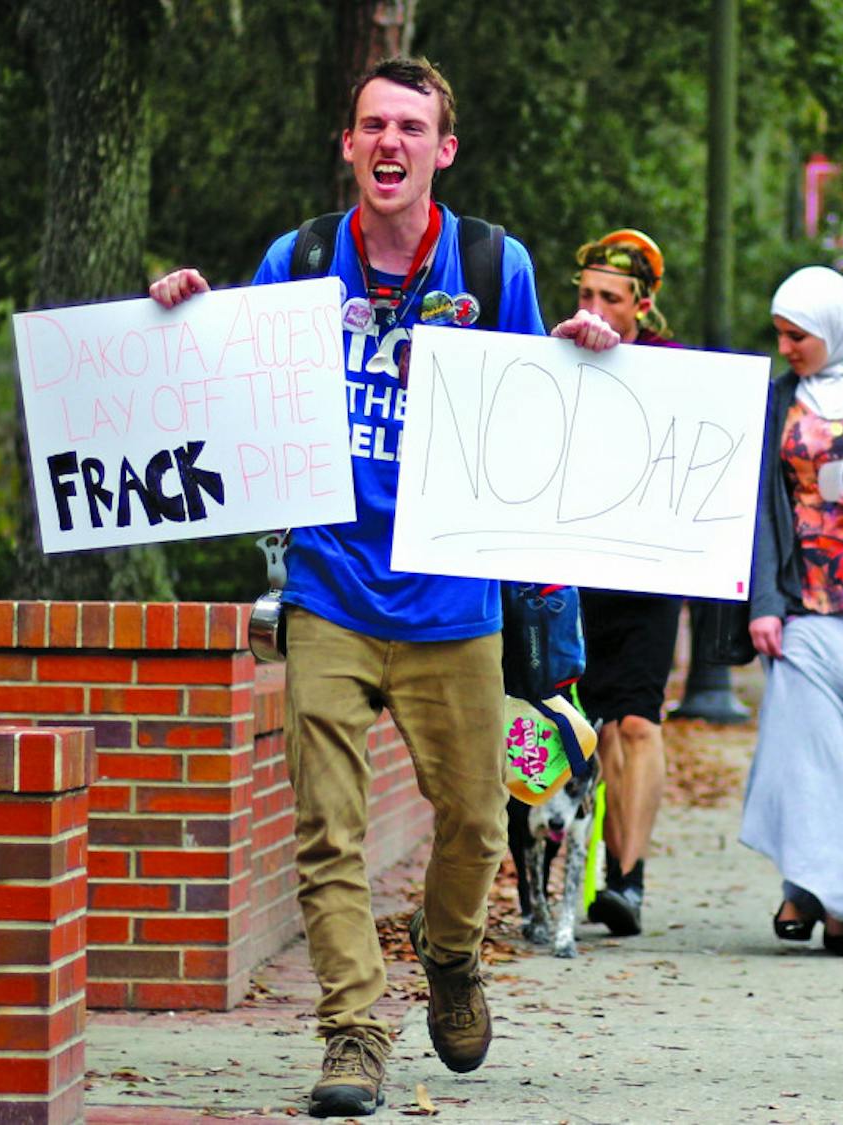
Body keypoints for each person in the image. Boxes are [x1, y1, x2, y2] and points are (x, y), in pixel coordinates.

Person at [150, 57, 619, 1119]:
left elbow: (533, 407)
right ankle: (354, 1031)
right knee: (327, 829)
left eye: (411, 125)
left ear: (442, 149)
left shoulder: (494, 262)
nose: (390, 142)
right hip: (328, 586)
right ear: (351, 145)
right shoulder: (302, 257)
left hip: (453, 600)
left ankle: (449, 954)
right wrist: (183, 312)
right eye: (373, 125)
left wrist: (580, 349)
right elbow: (232, 369)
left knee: (477, 822)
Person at [740, 266, 843, 958]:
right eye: (779, 333)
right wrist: (763, 603)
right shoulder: (780, 400)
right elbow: (757, 510)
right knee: (807, 753)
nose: (785, 347)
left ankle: (815, 888)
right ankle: (830, 902)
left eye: (796, 334)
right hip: (804, 600)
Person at [570, 229, 684, 937]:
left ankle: (629, 881)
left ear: (641, 305)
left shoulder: (672, 366)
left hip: (647, 570)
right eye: (585, 294)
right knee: (586, 725)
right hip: (573, 567)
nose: (595, 307)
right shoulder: (552, 351)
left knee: (636, 719)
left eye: (610, 297)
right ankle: (579, 869)